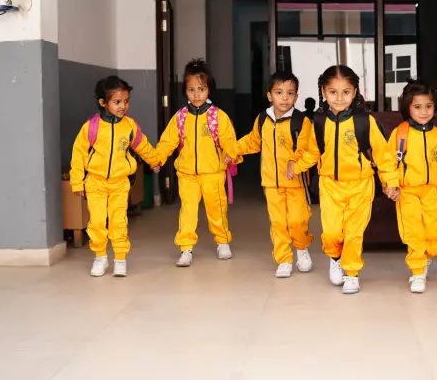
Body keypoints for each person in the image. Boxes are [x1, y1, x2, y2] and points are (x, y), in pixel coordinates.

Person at [287, 65, 400, 294]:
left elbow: (383, 155)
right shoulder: (319, 121)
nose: (339, 99)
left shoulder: (365, 121)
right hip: (330, 186)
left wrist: (391, 182)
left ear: (355, 92)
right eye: (333, 92)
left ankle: (352, 273)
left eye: (346, 92)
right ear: (323, 92)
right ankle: (335, 257)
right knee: (332, 233)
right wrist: (296, 166)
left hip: (361, 186)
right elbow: (313, 152)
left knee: (354, 233)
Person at [70, 76, 161, 277]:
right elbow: (78, 155)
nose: (123, 106)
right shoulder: (91, 127)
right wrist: (77, 182)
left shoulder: (130, 126)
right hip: (95, 183)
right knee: (97, 222)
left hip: (120, 183)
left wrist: (155, 161)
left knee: (118, 221)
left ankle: (120, 258)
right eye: (117, 102)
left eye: (126, 101)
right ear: (103, 102)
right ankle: (100, 257)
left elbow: (143, 146)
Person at [229, 72, 314, 278]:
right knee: (278, 223)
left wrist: (295, 163)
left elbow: (306, 148)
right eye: (279, 92)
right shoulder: (262, 120)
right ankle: (284, 259)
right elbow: (252, 141)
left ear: (296, 97)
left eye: (290, 93)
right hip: (271, 183)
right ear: (270, 95)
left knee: (297, 221)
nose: (284, 98)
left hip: (296, 183)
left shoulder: (301, 121)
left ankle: (301, 247)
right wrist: (232, 150)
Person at [156, 58, 240, 267]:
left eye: (201, 89)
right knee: (187, 212)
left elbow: (229, 139)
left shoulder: (218, 117)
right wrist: (157, 159)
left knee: (217, 210)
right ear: (185, 91)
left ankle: (223, 242)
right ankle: (186, 248)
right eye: (191, 90)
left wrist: (231, 154)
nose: (196, 95)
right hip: (187, 175)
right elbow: (167, 141)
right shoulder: (180, 118)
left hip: (213, 173)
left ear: (209, 90)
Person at [387, 79, 437, 293]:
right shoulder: (400, 134)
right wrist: (391, 185)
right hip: (407, 192)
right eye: (417, 107)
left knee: (436, 235)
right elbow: (388, 162)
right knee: (413, 232)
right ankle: (417, 271)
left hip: (433, 192)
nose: (424, 111)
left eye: (428, 106)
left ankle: (426, 256)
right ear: (407, 108)